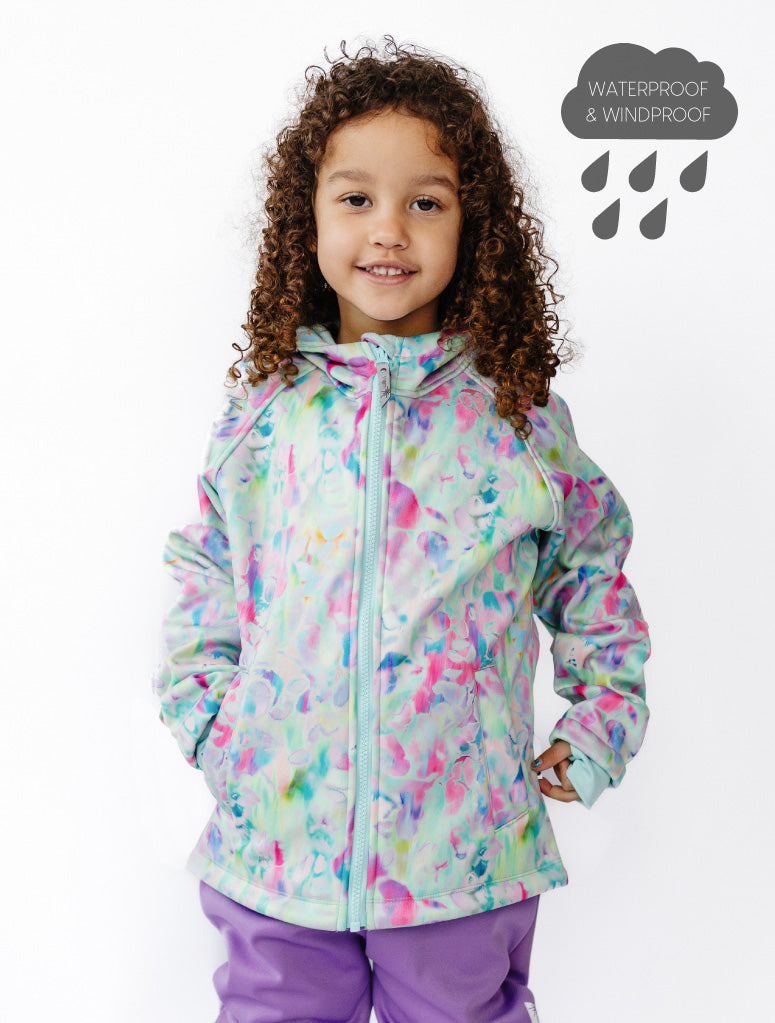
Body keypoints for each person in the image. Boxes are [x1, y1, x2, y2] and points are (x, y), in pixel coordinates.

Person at [154, 37, 650, 1023]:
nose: (389, 229)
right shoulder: (267, 413)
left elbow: (590, 565)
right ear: (307, 219)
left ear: (474, 227)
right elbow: (207, 563)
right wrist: (210, 721)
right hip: (279, 845)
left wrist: (600, 721)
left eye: (425, 202)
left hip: (461, 855)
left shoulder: (513, 420)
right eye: (356, 198)